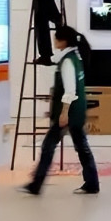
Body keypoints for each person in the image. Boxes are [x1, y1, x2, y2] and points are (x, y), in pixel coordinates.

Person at [21, 26, 99, 195]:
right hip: (77, 110)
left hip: (69, 112)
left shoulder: (67, 62)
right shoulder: (76, 57)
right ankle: (92, 183)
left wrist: (64, 113)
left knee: (49, 146)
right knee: (81, 146)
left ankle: (36, 184)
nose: (54, 41)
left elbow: (70, 90)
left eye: (56, 38)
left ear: (63, 41)